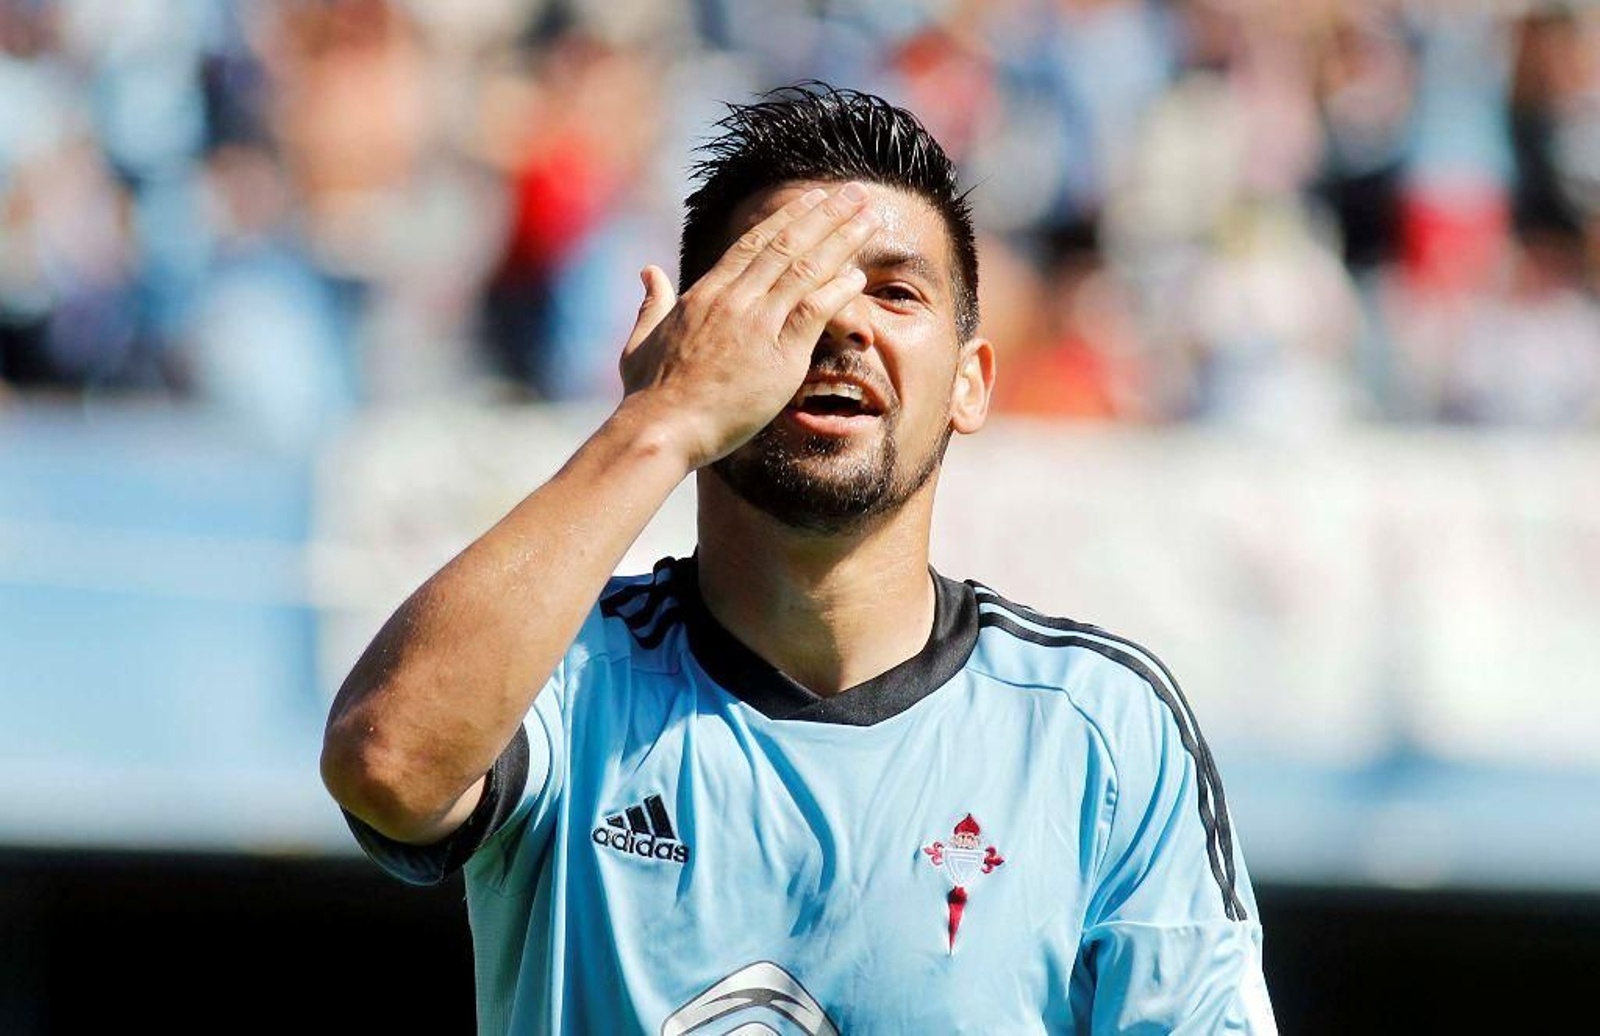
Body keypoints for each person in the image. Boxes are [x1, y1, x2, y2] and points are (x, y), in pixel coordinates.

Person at [321, 83, 1278, 1034]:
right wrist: (661, 422)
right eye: (785, 288)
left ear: (970, 382)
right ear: (692, 342)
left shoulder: (1099, 730)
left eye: (896, 292)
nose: (844, 323)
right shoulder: (566, 678)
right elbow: (390, 766)